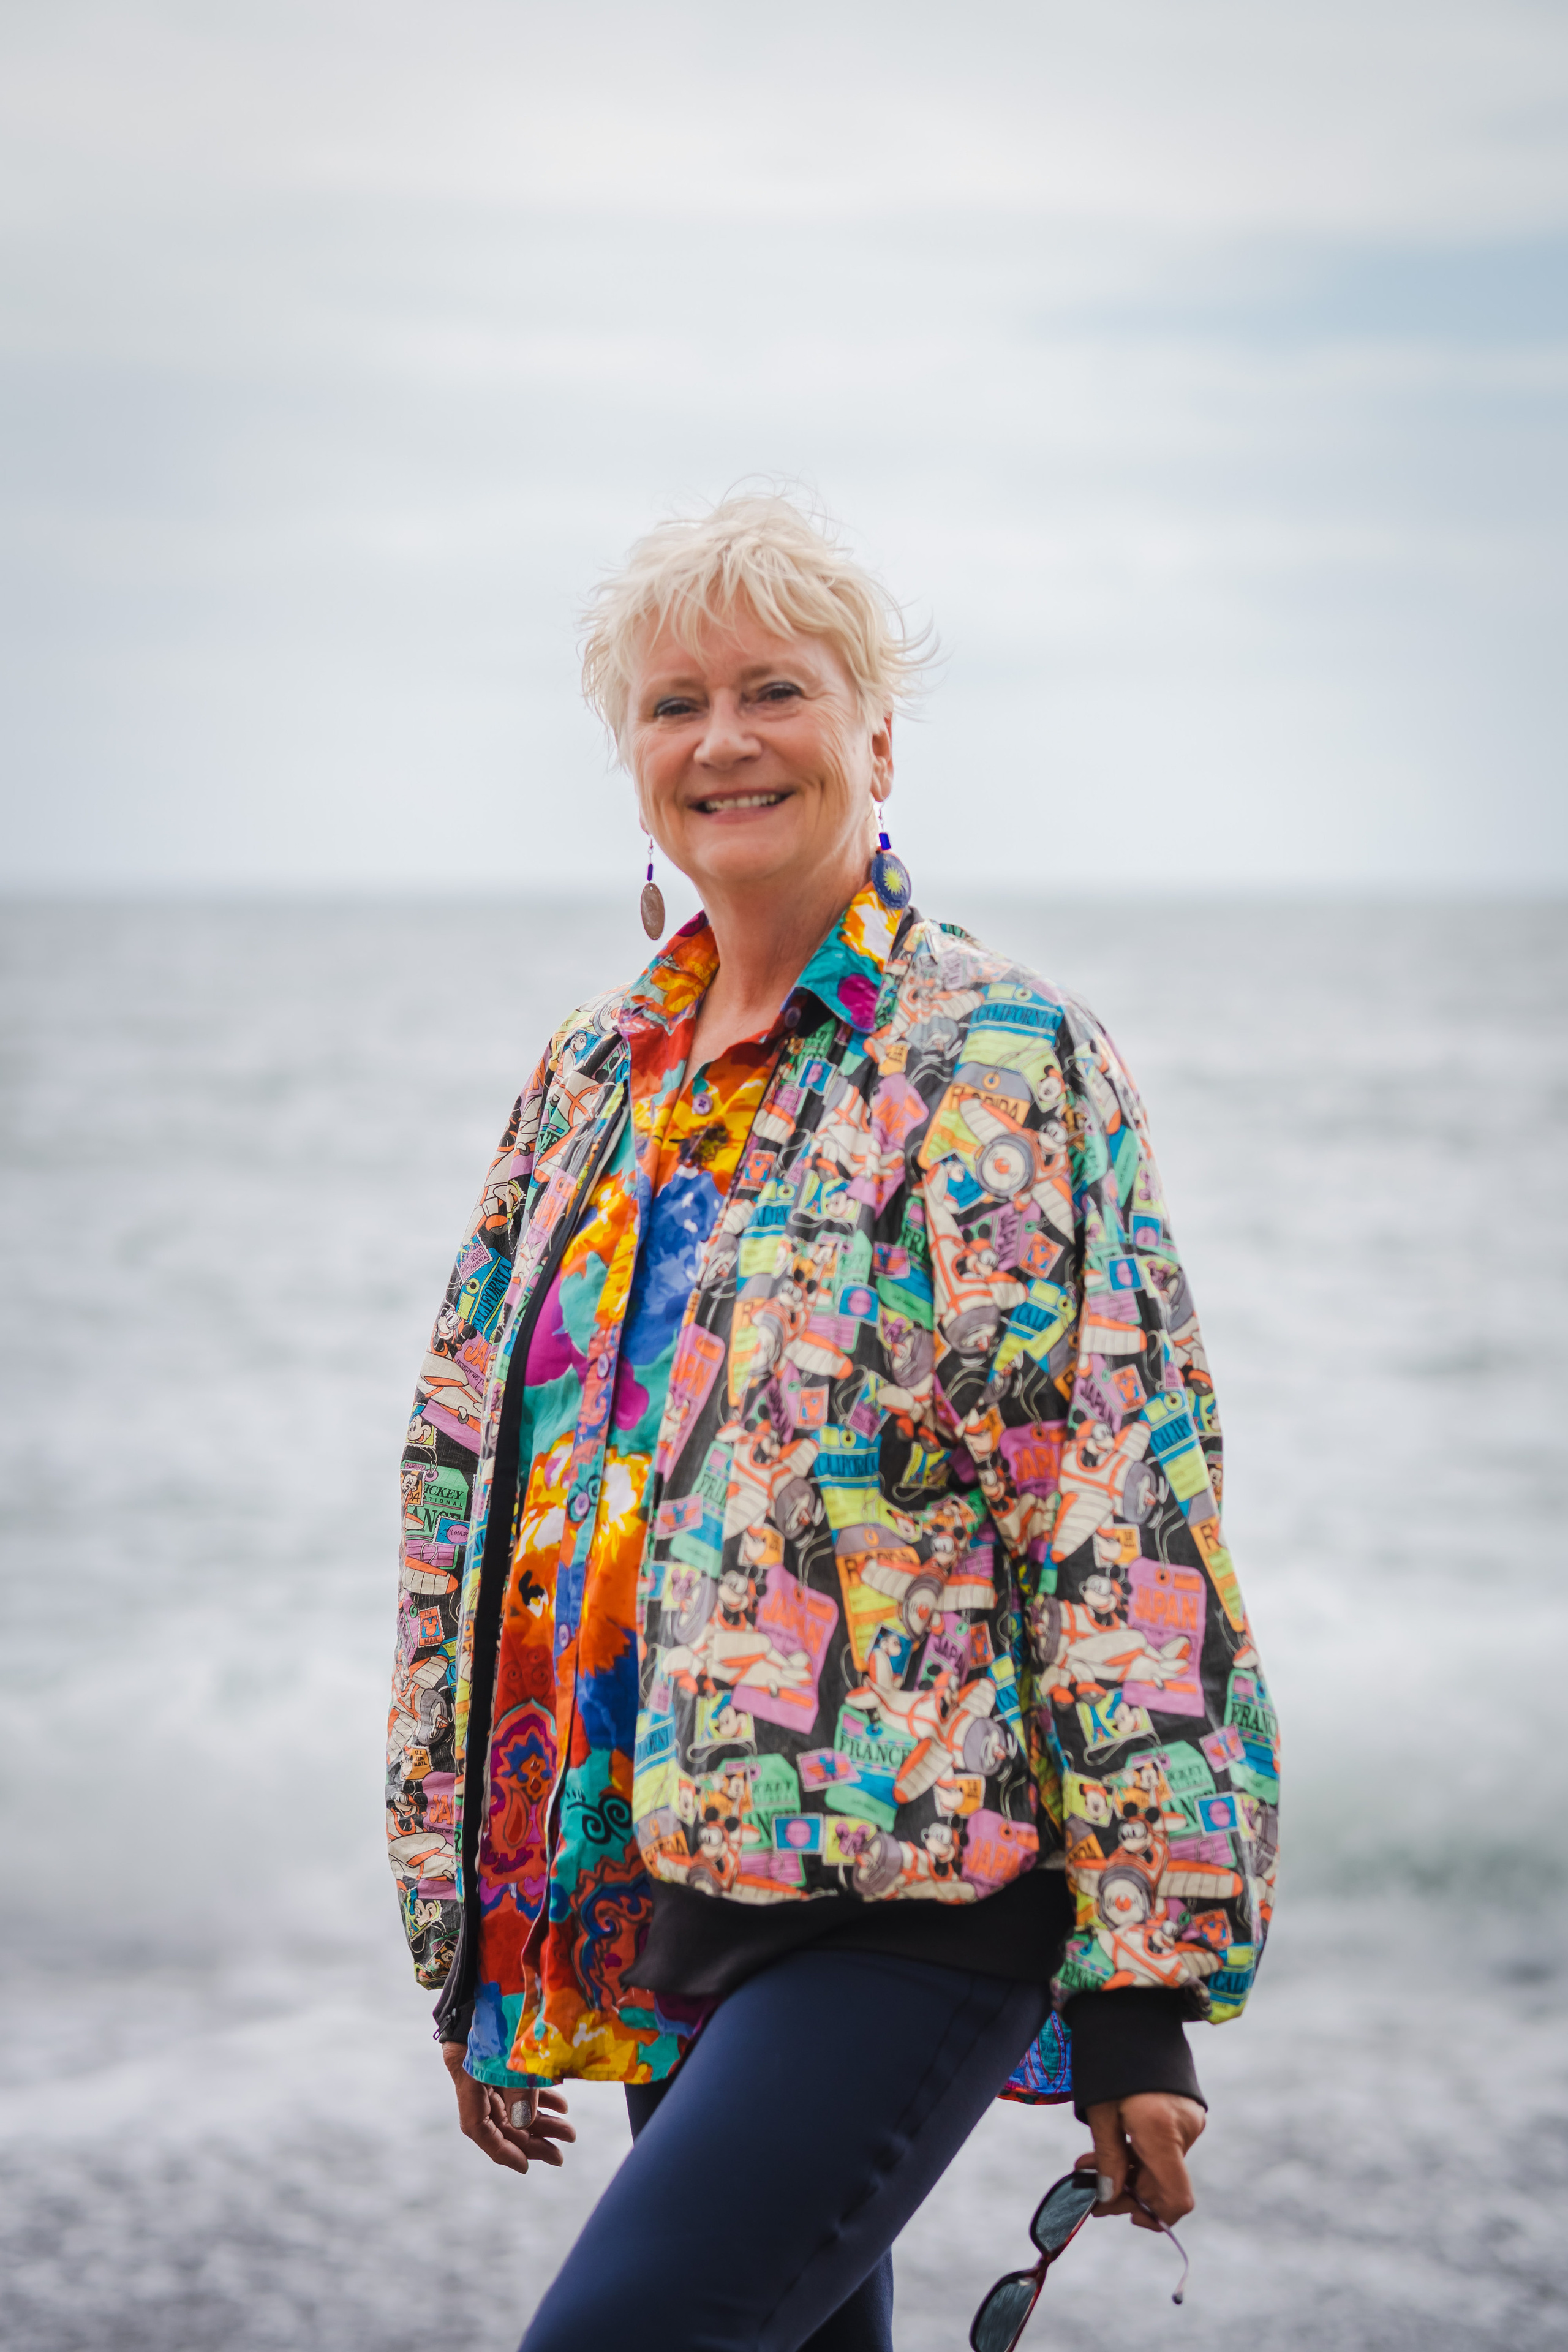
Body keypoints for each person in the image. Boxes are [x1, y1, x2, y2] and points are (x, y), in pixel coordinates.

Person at [385, 494, 1280, 2352]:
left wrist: (1139, 1991)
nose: (721, 739)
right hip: (658, 1884)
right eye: (672, 703)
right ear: (632, 760)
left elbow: (1116, 1512)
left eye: (775, 689)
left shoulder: (994, 1059)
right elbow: (491, 1502)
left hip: (922, 1886)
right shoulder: (590, 1077)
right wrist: (491, 1938)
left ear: (876, 739)